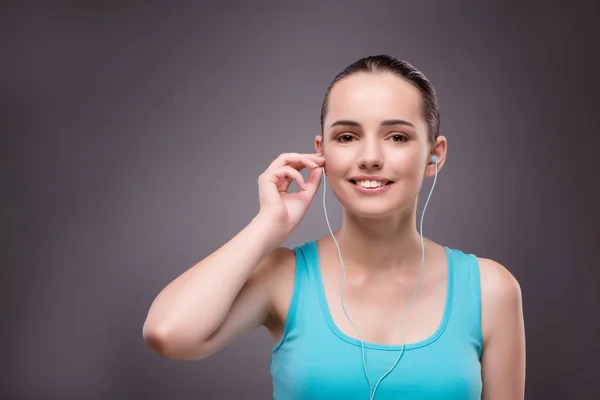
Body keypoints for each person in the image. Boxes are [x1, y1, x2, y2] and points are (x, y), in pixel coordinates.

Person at [142, 55, 526, 399]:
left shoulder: (490, 290)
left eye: (397, 137)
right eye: (347, 137)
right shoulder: (283, 276)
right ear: (321, 152)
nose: (370, 157)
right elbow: (168, 333)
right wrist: (268, 225)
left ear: (433, 155)